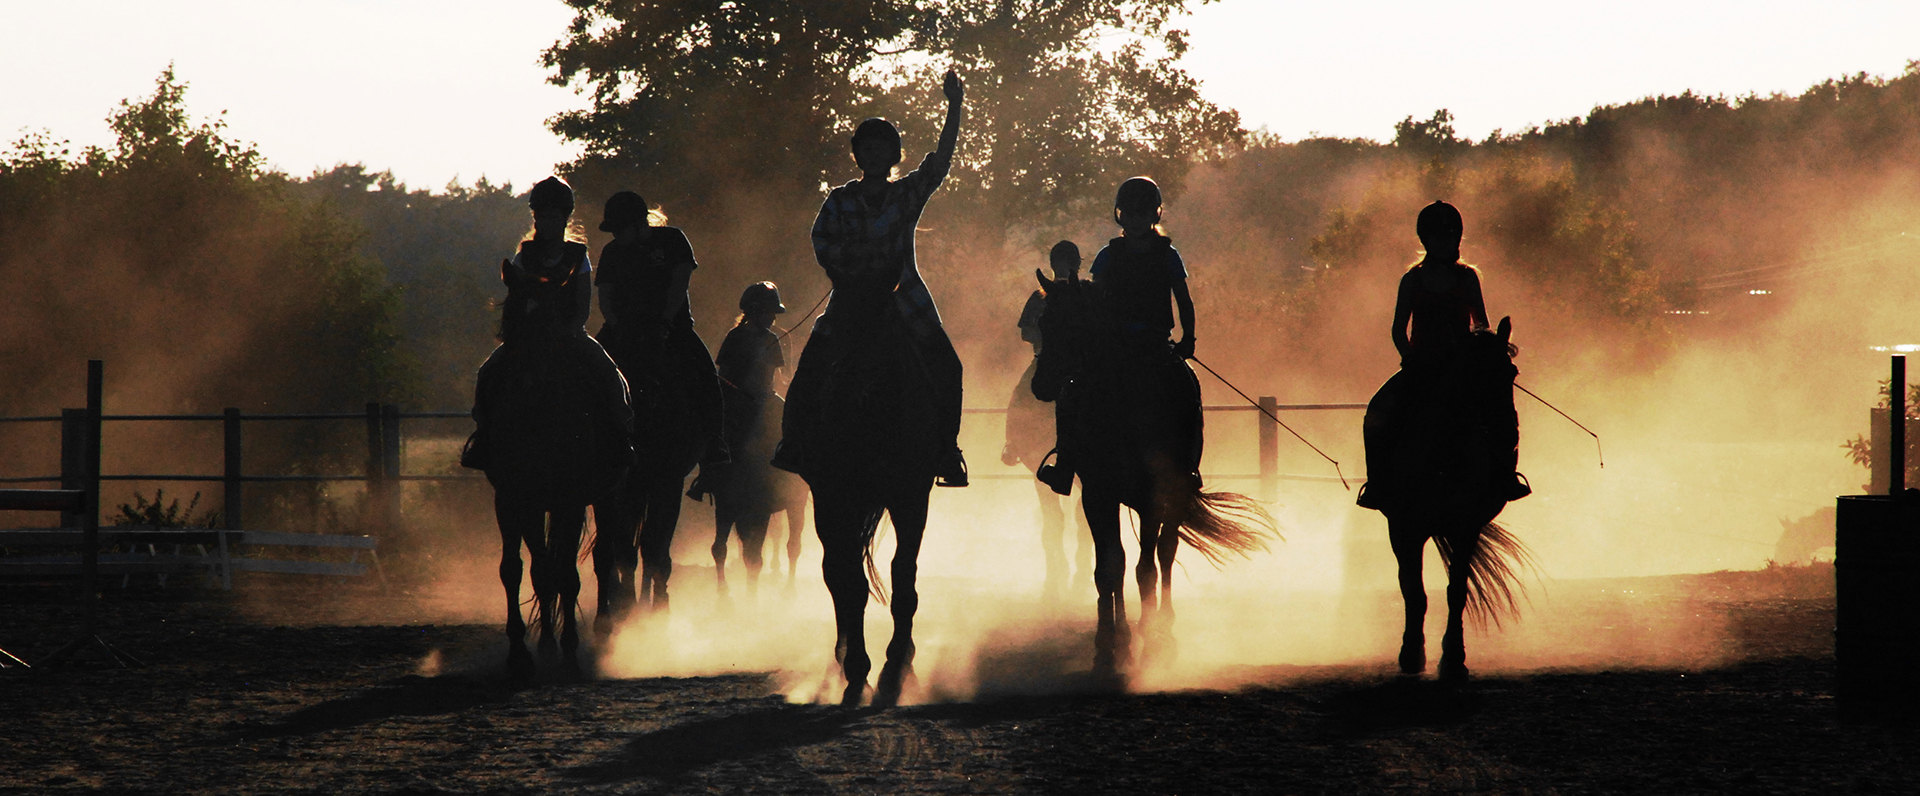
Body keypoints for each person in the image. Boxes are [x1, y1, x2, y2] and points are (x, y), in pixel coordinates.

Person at [772, 69, 969, 487]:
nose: (874, 154)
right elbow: (821, 240)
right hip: (850, 301)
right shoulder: (839, 200)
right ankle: (793, 443)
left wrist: (954, 106)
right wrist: (850, 272)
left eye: (882, 148)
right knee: (808, 369)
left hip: (906, 300)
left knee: (948, 367)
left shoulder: (907, 193)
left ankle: (947, 449)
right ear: (857, 155)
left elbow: (941, 161)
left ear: (894, 154)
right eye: (867, 148)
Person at [1356, 200, 1528, 511]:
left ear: (1457, 239)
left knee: (1501, 418)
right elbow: (1398, 330)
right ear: (1426, 240)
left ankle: (1505, 477)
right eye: (1439, 238)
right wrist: (1409, 358)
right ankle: (1378, 485)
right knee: (1376, 415)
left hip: (1462, 368)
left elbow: (1480, 323)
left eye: (1449, 237)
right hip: (1420, 367)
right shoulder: (1412, 280)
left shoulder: (1468, 278)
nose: (1445, 243)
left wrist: (1479, 351)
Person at [462, 176, 632, 471]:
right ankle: (484, 439)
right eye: (543, 216)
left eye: (554, 216)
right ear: (535, 217)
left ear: (565, 218)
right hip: (530, 337)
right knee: (488, 372)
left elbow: (582, 303)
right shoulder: (524, 256)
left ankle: (620, 440)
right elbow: (515, 303)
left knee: (609, 373)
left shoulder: (578, 255)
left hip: (570, 335)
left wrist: (567, 330)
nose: (548, 222)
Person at [1064, 176, 1202, 487]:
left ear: (1154, 214)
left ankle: (1188, 466)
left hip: (1155, 344)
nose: (1135, 220)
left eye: (1141, 213)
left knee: (1186, 391)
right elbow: (1096, 300)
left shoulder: (1168, 255)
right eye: (1129, 213)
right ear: (1120, 215)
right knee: (1074, 392)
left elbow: (1184, 300)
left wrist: (1188, 339)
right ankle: (1066, 461)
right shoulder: (1108, 255)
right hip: (1115, 345)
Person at [593, 190, 728, 469]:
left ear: (640, 223)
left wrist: (665, 321)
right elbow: (605, 297)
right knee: (588, 371)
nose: (616, 235)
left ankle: (714, 442)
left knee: (705, 374)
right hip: (624, 330)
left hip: (672, 329)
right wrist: (618, 326)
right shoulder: (611, 253)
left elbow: (679, 285)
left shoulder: (673, 241)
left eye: (621, 228)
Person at [689, 281, 790, 501]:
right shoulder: (735, 337)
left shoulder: (772, 339)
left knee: (788, 415)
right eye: (769, 312)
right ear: (756, 311)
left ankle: (788, 459)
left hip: (764, 397)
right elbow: (723, 372)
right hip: (735, 397)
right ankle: (707, 475)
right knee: (715, 426)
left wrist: (763, 391)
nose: (773, 318)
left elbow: (774, 376)